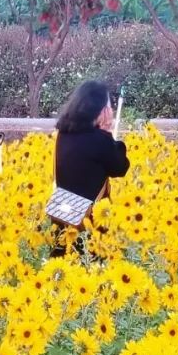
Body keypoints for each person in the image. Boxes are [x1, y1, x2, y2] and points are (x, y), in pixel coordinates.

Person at [49, 80, 130, 258]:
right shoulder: (100, 140)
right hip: (90, 224)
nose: (112, 111)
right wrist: (108, 133)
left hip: (62, 217)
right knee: (90, 271)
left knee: (63, 268)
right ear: (100, 110)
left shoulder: (63, 134)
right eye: (109, 106)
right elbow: (121, 167)